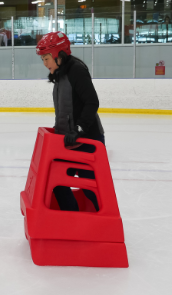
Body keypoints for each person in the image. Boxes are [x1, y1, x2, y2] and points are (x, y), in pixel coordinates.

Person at [37, 31, 105, 212]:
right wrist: (59, 128)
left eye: (46, 58)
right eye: (42, 59)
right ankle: (73, 219)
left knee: (90, 188)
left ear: (59, 54)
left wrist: (79, 128)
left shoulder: (76, 70)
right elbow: (66, 107)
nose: (44, 64)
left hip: (87, 140)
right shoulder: (60, 73)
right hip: (68, 140)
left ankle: (103, 223)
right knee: (56, 182)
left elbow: (92, 102)